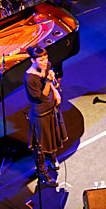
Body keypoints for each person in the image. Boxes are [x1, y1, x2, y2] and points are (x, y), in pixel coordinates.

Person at [23, 46, 68, 187]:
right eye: (41, 60)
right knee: (41, 144)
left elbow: (51, 84)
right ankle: (42, 172)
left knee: (53, 135)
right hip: (41, 113)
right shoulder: (30, 78)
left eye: (46, 58)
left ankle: (53, 158)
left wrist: (55, 91)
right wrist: (48, 82)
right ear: (32, 60)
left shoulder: (46, 66)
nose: (45, 62)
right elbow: (41, 97)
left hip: (52, 108)